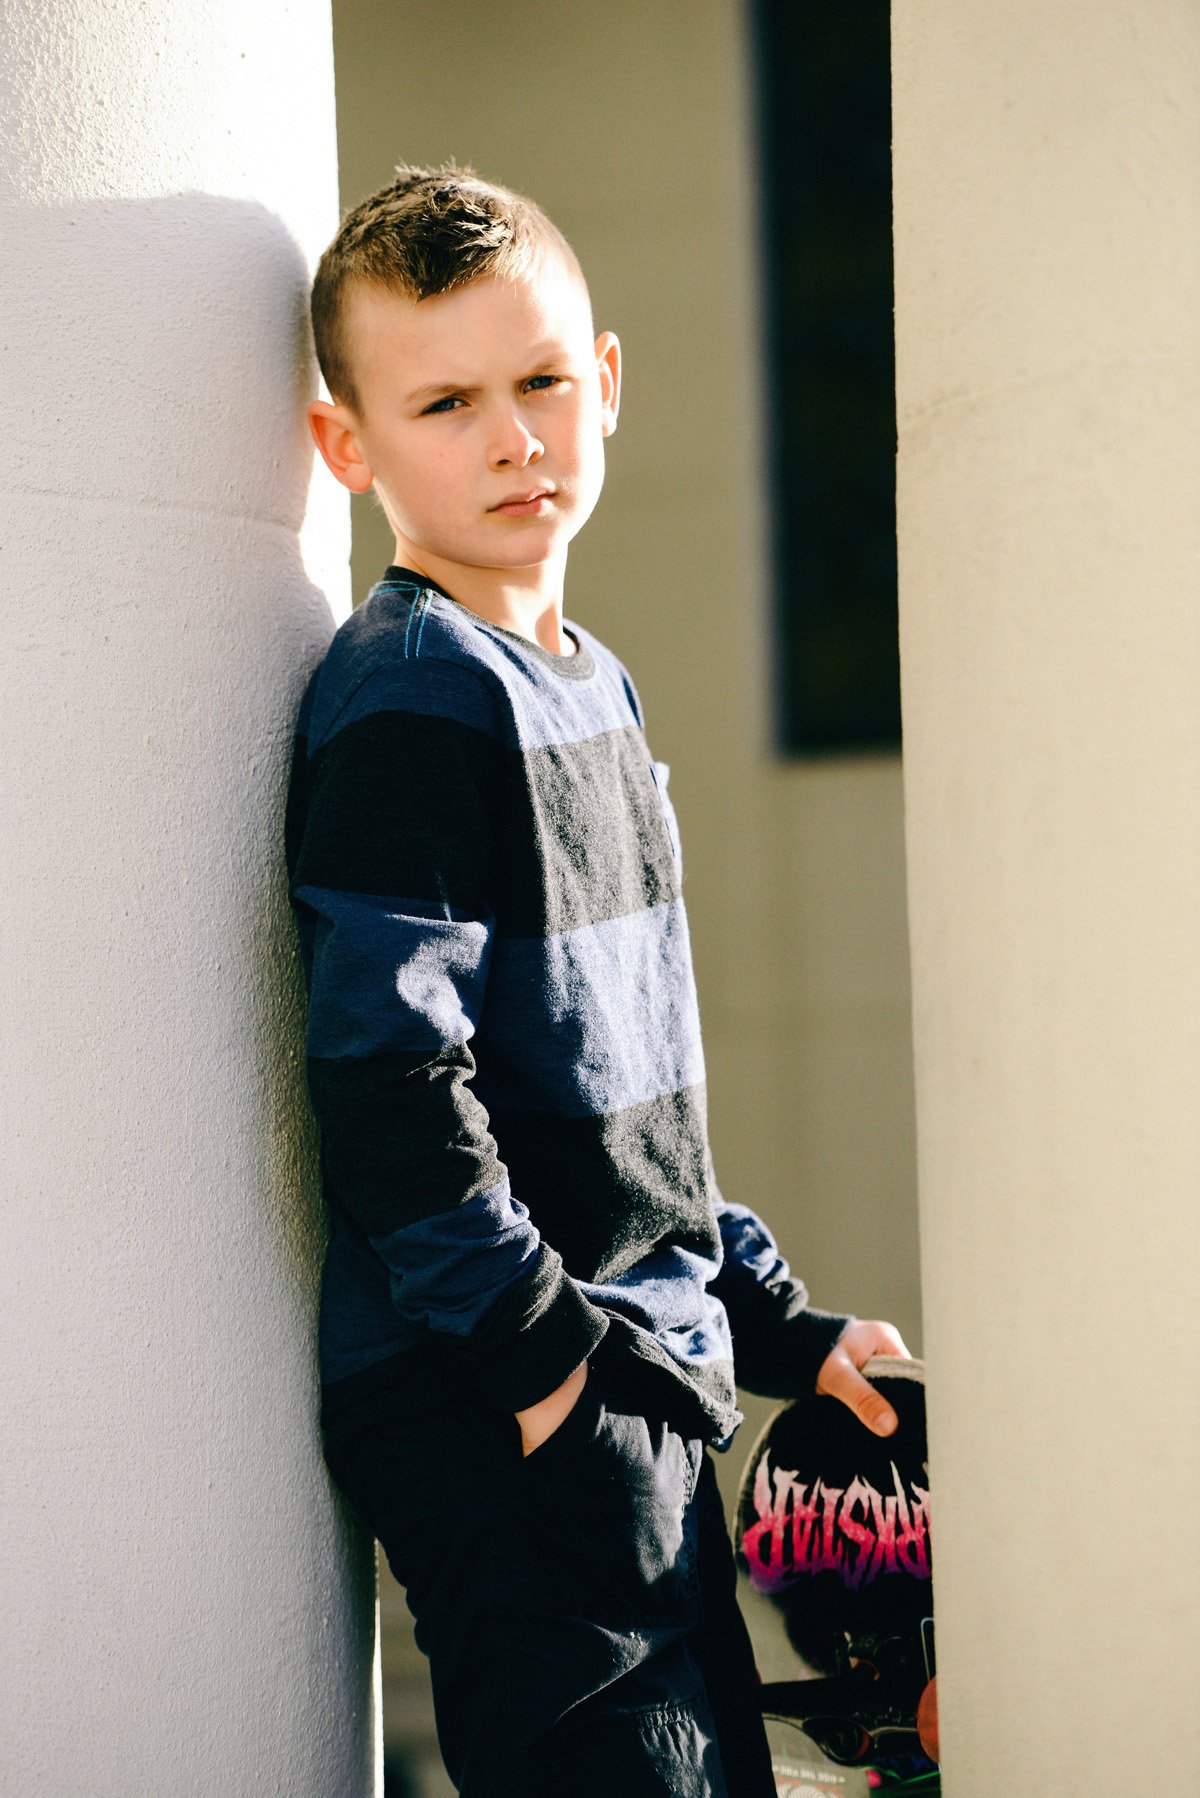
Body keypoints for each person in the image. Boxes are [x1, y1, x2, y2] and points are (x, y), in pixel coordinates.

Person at [286, 162, 911, 1797]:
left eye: (544, 381)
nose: (513, 438)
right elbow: (386, 1075)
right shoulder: (410, 698)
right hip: (514, 1401)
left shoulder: (595, 684)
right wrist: (544, 1363)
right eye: (445, 403)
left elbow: (632, 1095)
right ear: (349, 448)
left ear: (607, 384)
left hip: (630, 1378)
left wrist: (777, 1320)